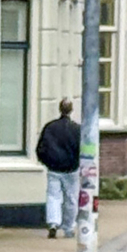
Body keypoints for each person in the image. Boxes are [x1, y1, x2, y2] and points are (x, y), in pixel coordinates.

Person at [36, 99, 83, 238]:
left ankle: (53, 223)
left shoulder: (50, 128)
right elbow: (81, 150)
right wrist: (77, 163)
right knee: (71, 198)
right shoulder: (77, 129)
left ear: (59, 109)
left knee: (53, 196)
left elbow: (41, 148)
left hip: (54, 168)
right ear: (71, 110)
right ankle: (69, 227)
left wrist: (47, 162)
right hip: (71, 169)